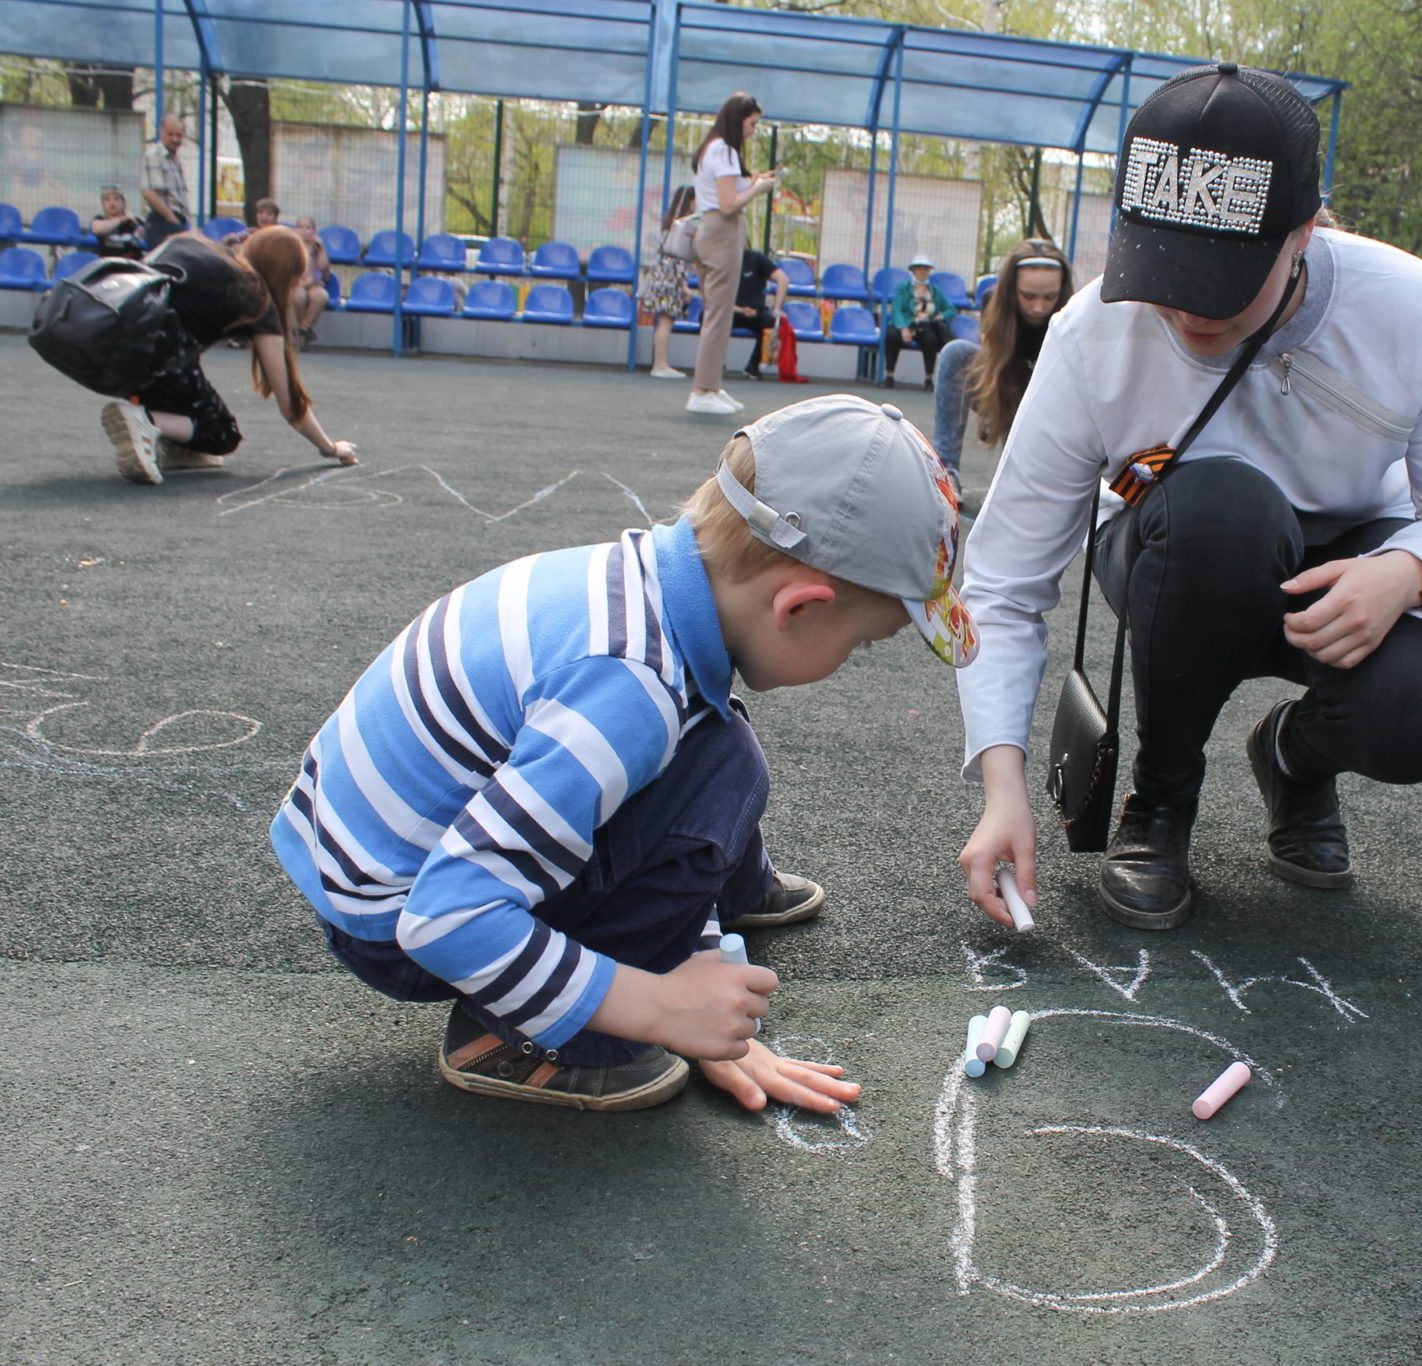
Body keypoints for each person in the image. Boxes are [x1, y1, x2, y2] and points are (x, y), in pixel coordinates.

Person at [270, 395, 977, 1113]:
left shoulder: (639, 592)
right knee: (722, 769)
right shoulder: (628, 690)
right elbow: (446, 919)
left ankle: (719, 897)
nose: (849, 657)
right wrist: (661, 1009)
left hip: (364, 852)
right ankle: (513, 1037)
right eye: (858, 644)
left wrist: (698, 955)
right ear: (797, 607)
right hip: (396, 921)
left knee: (711, 751)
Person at [953, 63, 1422, 931]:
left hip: (1350, 561)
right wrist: (1002, 786)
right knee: (1223, 511)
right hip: (1179, 552)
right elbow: (1001, 581)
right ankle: (1163, 798)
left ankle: (1295, 758)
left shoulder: (1408, 307)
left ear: (1302, 232)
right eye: (1165, 269)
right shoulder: (1090, 333)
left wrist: (1408, 571)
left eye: (1221, 278)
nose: (1186, 310)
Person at [95, 226, 359, 485]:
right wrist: (330, 447)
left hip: (103, 335)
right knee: (221, 433)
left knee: (187, 382)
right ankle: (146, 421)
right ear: (282, 277)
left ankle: (178, 446)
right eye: (292, 282)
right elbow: (290, 404)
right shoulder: (256, 299)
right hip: (149, 347)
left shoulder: (199, 247)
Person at [931, 239, 1074, 499]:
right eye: (1028, 296)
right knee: (956, 354)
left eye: (1049, 297)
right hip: (1007, 391)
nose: (1039, 307)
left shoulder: (1074, 313)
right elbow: (994, 365)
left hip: (1048, 409)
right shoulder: (992, 303)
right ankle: (946, 472)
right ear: (1012, 289)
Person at [687, 93, 779, 416]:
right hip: (721, 232)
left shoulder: (713, 148)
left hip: (713, 233)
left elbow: (728, 189)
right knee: (717, 314)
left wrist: (752, 181)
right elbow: (728, 204)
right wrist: (758, 189)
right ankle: (702, 389)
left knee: (720, 312)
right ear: (738, 119)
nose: (754, 130)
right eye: (752, 123)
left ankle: (710, 385)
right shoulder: (724, 150)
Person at [640, 185, 698, 379]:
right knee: (666, 321)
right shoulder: (685, 227)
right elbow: (679, 260)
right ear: (690, 201)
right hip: (671, 278)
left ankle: (660, 363)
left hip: (661, 275)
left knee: (664, 321)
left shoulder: (669, 224)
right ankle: (660, 364)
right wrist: (684, 286)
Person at [883, 254, 957, 389]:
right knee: (892, 336)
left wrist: (941, 315)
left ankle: (929, 378)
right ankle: (889, 375)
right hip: (905, 323)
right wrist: (904, 328)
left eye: (926, 268)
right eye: (919, 268)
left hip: (925, 324)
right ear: (913, 270)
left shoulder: (935, 290)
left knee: (931, 340)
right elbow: (897, 310)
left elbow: (951, 309)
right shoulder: (903, 288)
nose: (922, 271)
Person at [735, 246, 789, 381]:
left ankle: (753, 366)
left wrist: (777, 308)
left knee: (770, 321)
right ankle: (713, 365)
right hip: (730, 310)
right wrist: (739, 310)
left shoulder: (757, 258)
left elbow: (783, 278)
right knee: (706, 318)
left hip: (755, 311)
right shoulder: (723, 259)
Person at [140, 114, 190, 250]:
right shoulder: (155, 155)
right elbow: (149, 192)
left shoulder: (174, 159)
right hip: (162, 222)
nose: (175, 139)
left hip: (177, 221)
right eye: (170, 134)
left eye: (179, 135)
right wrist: (172, 220)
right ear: (161, 132)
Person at [291, 215, 331, 345]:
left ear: (313, 231)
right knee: (298, 297)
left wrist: (321, 248)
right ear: (295, 230)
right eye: (300, 227)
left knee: (321, 296)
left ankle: (304, 328)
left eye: (308, 227)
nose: (303, 230)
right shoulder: (292, 246)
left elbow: (323, 266)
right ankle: (301, 330)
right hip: (296, 283)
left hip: (314, 283)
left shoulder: (317, 247)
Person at [89, 185, 143, 260]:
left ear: (123, 203)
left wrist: (135, 224)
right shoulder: (100, 219)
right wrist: (120, 219)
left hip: (132, 264)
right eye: (107, 200)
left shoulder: (134, 221)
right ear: (103, 204)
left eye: (116, 199)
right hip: (109, 265)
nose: (112, 202)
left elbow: (144, 232)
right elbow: (97, 229)